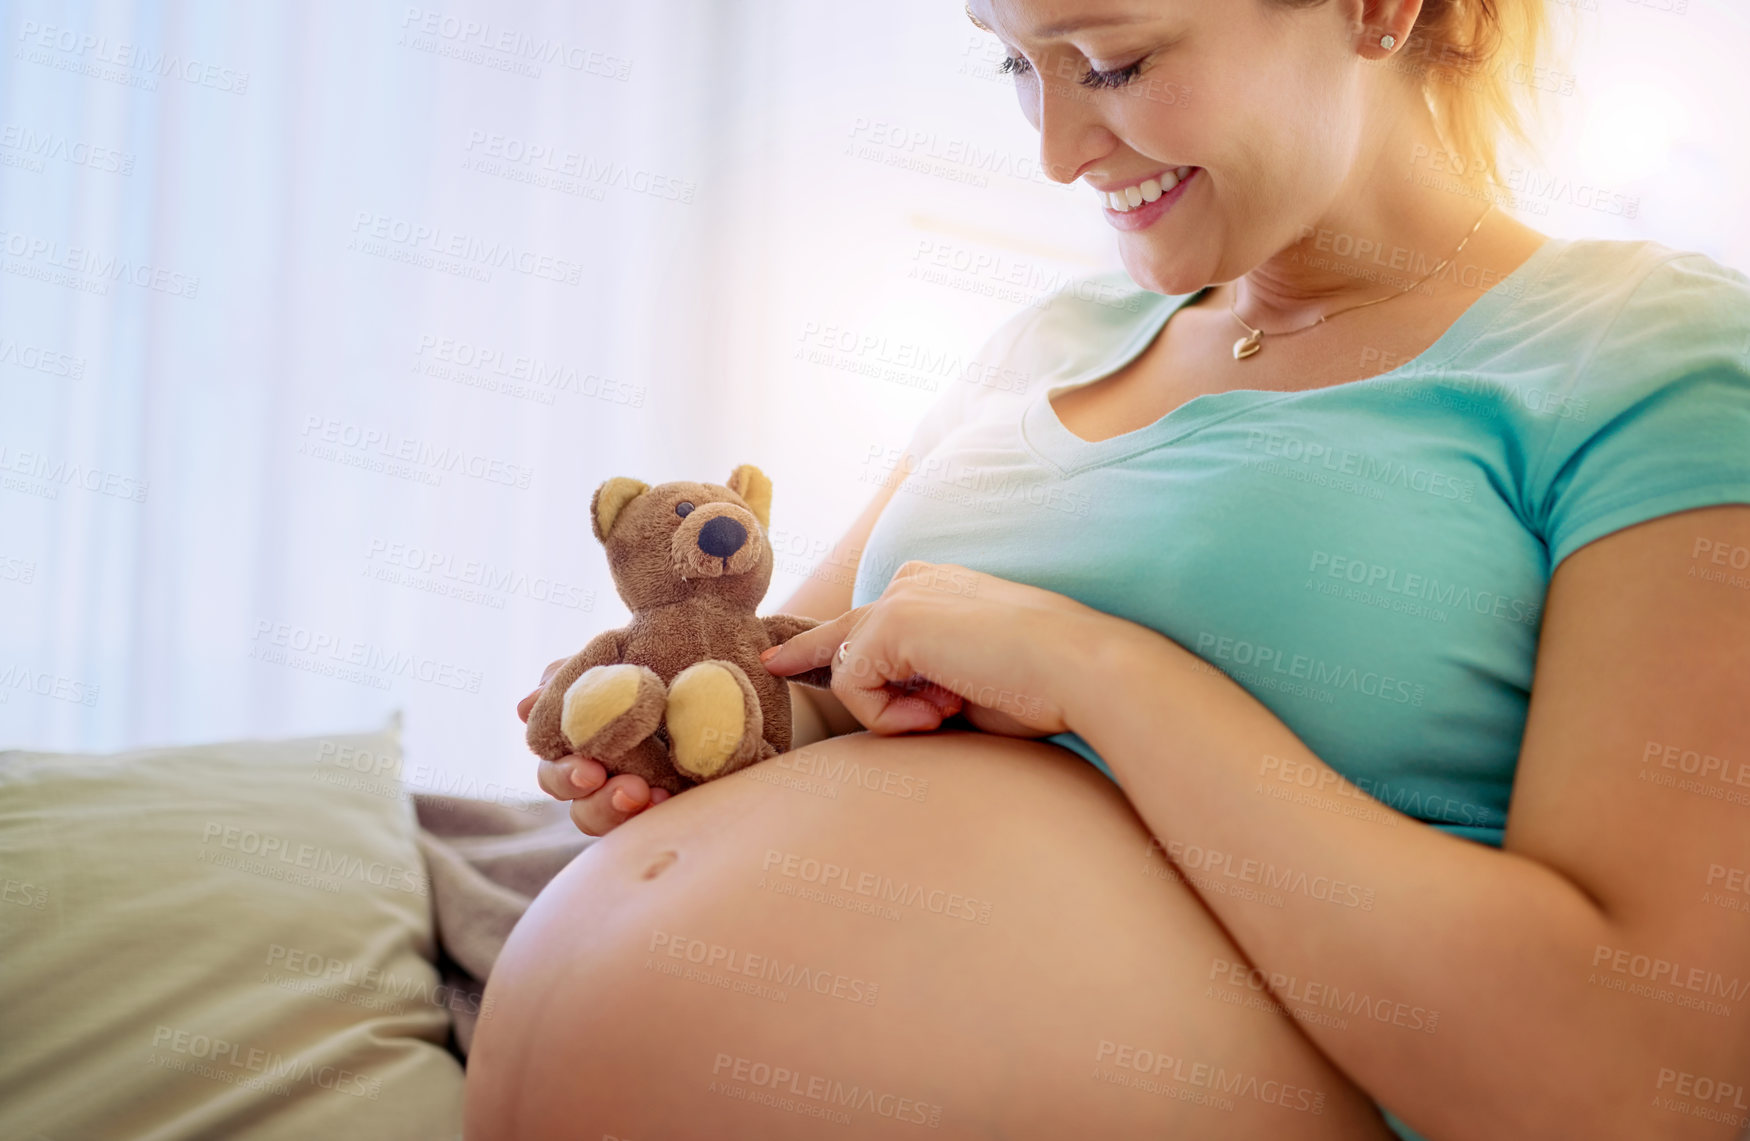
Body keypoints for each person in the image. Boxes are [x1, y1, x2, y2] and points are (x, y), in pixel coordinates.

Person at [465, 1, 1750, 1138]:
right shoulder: (1049, 341)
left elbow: (1641, 1085)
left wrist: (1100, 670)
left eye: (1114, 62)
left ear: (1374, 7)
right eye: (1015, 66)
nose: (1055, 152)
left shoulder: (1650, 359)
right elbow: (811, 672)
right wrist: (680, 716)